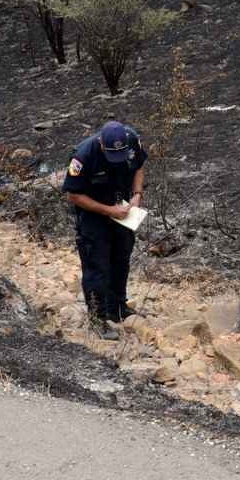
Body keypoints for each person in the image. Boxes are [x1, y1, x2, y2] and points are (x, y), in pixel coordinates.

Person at [62, 121, 147, 340]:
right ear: (101, 143)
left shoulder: (132, 140)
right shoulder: (83, 156)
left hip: (122, 209)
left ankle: (117, 307)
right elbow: (73, 195)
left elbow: (138, 167)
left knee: (121, 258)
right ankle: (97, 319)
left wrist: (137, 195)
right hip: (93, 213)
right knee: (96, 266)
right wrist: (108, 210)